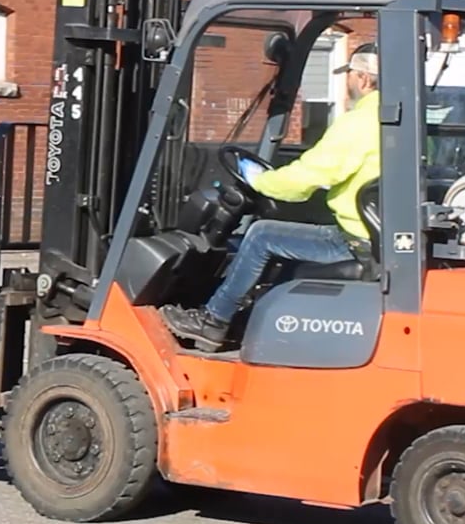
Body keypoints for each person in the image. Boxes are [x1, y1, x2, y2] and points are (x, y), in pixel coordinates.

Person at [162, 42, 382, 351]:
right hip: (368, 236)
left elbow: (310, 175)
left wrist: (263, 182)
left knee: (262, 234)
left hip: (352, 241)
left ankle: (213, 321)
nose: (347, 83)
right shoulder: (391, 120)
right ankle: (247, 316)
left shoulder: (357, 124)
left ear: (361, 78)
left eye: (350, 76)